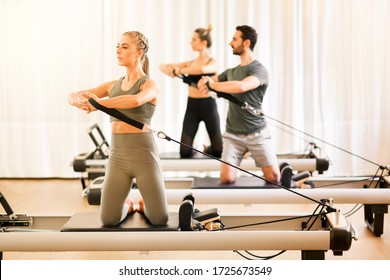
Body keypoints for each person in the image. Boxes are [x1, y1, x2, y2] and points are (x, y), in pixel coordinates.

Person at [68, 31, 168, 226]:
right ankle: (130, 206)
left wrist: (100, 103)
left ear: (139, 52)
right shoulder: (112, 85)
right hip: (117, 157)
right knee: (108, 219)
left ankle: (142, 205)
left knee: (159, 219)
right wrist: (74, 99)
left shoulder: (149, 84)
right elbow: (76, 94)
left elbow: (135, 100)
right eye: (117, 46)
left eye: (124, 47)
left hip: (145, 156)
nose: (118, 51)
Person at [198, 25, 281, 184]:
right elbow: (212, 79)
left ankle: (282, 168)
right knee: (226, 178)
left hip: (256, 132)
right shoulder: (231, 72)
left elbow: (242, 86)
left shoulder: (259, 70)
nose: (230, 42)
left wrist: (212, 86)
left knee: (274, 178)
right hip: (233, 134)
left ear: (246, 43)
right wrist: (204, 82)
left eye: (235, 39)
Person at [159, 25, 223, 158]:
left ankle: (207, 149)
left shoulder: (213, 63)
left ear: (203, 43)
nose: (190, 42)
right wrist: (172, 70)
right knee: (184, 153)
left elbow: (201, 70)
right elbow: (162, 67)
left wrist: (179, 70)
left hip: (209, 107)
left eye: (194, 39)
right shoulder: (191, 63)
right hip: (192, 107)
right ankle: (193, 148)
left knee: (218, 152)